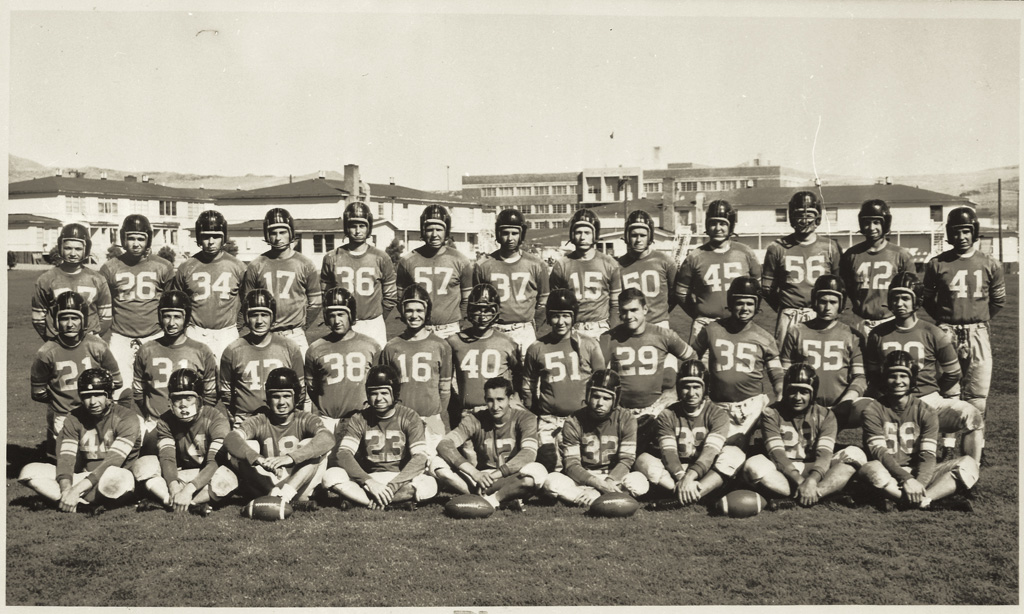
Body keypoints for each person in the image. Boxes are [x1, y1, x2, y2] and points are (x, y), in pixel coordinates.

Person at [865, 272, 983, 464]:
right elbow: (872, 373)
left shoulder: (932, 332)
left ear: (917, 301)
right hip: (891, 403)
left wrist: (932, 389)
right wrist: (888, 395)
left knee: (973, 416)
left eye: (905, 298)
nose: (899, 303)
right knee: (862, 411)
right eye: (895, 298)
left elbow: (954, 373)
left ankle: (971, 469)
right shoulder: (878, 334)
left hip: (928, 400)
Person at [923, 206, 1005, 463]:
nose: (962, 237)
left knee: (978, 393)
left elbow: (997, 302)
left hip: (977, 331)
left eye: (966, 231)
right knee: (949, 392)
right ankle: (947, 446)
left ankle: (977, 445)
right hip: (947, 330)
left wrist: (976, 320)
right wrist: (946, 321)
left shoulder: (990, 263)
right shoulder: (937, 264)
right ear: (950, 233)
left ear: (974, 232)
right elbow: (928, 300)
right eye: (957, 232)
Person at [857, 351, 978, 511]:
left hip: (918, 471)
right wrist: (906, 478)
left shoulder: (926, 411)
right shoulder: (872, 410)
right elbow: (880, 453)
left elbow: (927, 455)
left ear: (912, 379)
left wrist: (918, 483)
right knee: (870, 469)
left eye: (903, 376)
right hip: (888, 470)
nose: (898, 381)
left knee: (969, 464)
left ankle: (912, 500)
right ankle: (927, 501)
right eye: (892, 376)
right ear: (884, 378)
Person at [18, 368, 140, 514]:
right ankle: (81, 505)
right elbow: (66, 458)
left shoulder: (127, 418)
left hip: (111, 477)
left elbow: (113, 462)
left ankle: (59, 499)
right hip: (83, 477)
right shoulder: (74, 417)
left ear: (109, 395)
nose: (93, 402)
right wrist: (67, 489)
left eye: (98, 395)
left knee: (118, 479)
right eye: (87, 396)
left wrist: (76, 490)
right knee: (29, 471)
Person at [742, 364, 865, 508]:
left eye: (804, 392)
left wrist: (812, 480)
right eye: (792, 391)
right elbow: (777, 455)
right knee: (753, 466)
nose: (797, 397)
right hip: (784, 470)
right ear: (785, 391)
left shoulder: (826, 415)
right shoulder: (771, 413)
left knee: (856, 454)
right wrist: (801, 482)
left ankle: (805, 496)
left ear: (813, 393)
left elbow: (824, 454)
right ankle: (823, 494)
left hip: (815, 467)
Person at [322, 365, 439, 510]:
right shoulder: (359, 418)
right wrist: (370, 482)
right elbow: (344, 454)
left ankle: (364, 500)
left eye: (384, 393)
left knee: (430, 484)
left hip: (400, 478)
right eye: (373, 393)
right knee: (330, 476)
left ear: (394, 393)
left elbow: (420, 457)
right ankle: (394, 503)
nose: (378, 398)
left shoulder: (409, 416)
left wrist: (393, 485)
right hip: (371, 477)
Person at [634, 360, 746, 508]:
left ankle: (686, 495)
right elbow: (669, 453)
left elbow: (710, 453)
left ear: (705, 388)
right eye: (686, 387)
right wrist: (682, 478)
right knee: (643, 459)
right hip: (677, 471)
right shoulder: (667, 414)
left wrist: (690, 477)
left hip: (706, 470)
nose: (691, 393)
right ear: (679, 388)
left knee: (735, 454)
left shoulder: (717, 414)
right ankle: (689, 493)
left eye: (696, 387)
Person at [598, 288, 696, 451]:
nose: (629, 316)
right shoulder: (609, 338)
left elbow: (693, 359)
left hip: (656, 409)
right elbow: (597, 374)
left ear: (645, 309)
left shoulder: (664, 335)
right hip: (622, 411)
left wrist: (675, 390)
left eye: (634, 310)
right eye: (624, 311)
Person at [222, 368, 333, 509]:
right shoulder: (260, 420)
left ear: (296, 397)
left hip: (299, 482)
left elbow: (327, 438)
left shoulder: (305, 419)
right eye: (276, 396)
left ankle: (283, 497)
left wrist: (291, 458)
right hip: (270, 482)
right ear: (268, 398)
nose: (281, 402)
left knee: (313, 446)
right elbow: (231, 438)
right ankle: (278, 497)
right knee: (244, 448)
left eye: (286, 396)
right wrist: (257, 458)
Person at [692, 277, 784, 445]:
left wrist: (780, 394)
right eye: (740, 303)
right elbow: (691, 359)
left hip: (751, 406)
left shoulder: (765, 338)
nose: (744, 308)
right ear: (731, 303)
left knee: (736, 448)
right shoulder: (712, 329)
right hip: (718, 404)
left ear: (757, 305)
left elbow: (777, 375)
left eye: (749, 303)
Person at [134, 368, 238, 515]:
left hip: (206, 474)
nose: (183, 404)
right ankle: (175, 501)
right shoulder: (165, 420)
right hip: (180, 474)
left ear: (200, 399)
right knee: (143, 464)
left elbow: (214, 461)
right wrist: (174, 487)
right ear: (170, 400)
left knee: (229, 478)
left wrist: (188, 490)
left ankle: (177, 502)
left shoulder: (216, 419)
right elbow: (167, 458)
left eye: (189, 398)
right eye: (177, 398)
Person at [522, 289, 606, 471]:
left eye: (566, 316)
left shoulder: (589, 344)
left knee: (585, 466)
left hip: (581, 420)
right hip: (549, 421)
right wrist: (538, 411)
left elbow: (601, 385)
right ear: (548, 317)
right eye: (555, 316)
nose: (561, 322)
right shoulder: (536, 348)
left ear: (574, 316)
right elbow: (528, 386)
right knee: (551, 465)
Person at [30, 292, 121, 459]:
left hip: (97, 414)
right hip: (64, 415)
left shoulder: (97, 346)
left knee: (100, 460)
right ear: (56, 321)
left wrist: (96, 401)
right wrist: (61, 400)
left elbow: (116, 381)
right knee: (68, 462)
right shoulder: (46, 353)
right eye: (64, 318)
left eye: (75, 318)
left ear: (83, 320)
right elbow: (38, 392)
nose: (70, 324)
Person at [434, 377, 548, 509]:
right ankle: (498, 498)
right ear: (485, 399)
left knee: (537, 471)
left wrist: (495, 475)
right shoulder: (475, 419)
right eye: (490, 400)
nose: (495, 406)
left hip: (511, 476)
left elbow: (528, 454)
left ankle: (492, 500)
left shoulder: (525, 418)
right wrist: (475, 473)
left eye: (500, 399)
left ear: (510, 399)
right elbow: (444, 444)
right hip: (483, 477)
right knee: (436, 463)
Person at [541, 370, 649, 506]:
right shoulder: (574, 420)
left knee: (639, 482)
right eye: (596, 396)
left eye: (606, 399)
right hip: (584, 478)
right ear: (588, 395)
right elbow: (571, 464)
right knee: (551, 482)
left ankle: (587, 499)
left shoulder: (626, 418)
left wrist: (606, 484)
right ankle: (610, 498)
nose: (599, 403)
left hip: (614, 477)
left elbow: (626, 460)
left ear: (615, 400)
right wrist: (598, 485)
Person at [133, 290, 219, 454]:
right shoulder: (146, 350)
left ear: (186, 318)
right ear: (160, 317)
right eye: (167, 316)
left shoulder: (201, 351)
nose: (171, 323)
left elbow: (210, 395)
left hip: (192, 424)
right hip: (157, 423)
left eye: (177, 317)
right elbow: (138, 394)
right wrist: (154, 415)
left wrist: (195, 419)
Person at [100, 214, 175, 399]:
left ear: (148, 239)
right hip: (121, 335)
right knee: (118, 391)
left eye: (140, 238)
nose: (136, 244)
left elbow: (169, 304)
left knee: (159, 391)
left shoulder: (163, 266)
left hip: (155, 335)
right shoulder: (110, 268)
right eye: (131, 238)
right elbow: (103, 304)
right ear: (123, 239)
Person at [780, 275, 868, 429]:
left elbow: (860, 377)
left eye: (833, 302)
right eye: (823, 301)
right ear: (815, 301)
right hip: (803, 406)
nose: (827, 307)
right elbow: (784, 373)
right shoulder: (797, 331)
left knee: (868, 407)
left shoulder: (853, 336)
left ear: (841, 304)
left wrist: (846, 402)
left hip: (839, 407)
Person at [761, 191, 842, 348]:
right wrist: (785, 307)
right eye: (800, 215)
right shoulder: (777, 247)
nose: (805, 220)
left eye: (809, 215)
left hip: (820, 313)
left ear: (818, 217)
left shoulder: (831, 247)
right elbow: (767, 289)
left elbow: (840, 287)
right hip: (789, 314)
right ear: (792, 217)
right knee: (786, 358)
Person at [379, 284, 453, 457]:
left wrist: (437, 415)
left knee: (435, 463)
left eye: (419, 310)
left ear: (427, 311)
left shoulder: (441, 345)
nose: (414, 315)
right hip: (401, 419)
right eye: (409, 310)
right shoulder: (391, 347)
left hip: (431, 417)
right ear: (402, 312)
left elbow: (445, 389)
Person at [673, 200, 761, 342]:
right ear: (707, 225)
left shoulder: (745, 253)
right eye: (713, 223)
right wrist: (697, 312)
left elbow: (758, 289)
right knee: (696, 357)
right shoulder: (695, 257)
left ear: (730, 225)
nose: (717, 228)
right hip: (705, 323)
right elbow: (681, 292)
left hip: (737, 324)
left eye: (722, 224)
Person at [240, 208, 321, 357]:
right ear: (267, 235)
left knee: (301, 371)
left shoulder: (305, 264)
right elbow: (247, 304)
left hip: (295, 333)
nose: (278, 238)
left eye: (282, 232)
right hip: (264, 333)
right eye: (273, 233)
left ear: (291, 233)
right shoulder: (256, 265)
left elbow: (316, 303)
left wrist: (301, 325)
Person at [220, 289, 305, 428]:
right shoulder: (232, 350)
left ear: (273, 317)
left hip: (281, 419)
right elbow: (226, 392)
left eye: (264, 315)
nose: (259, 321)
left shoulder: (289, 347)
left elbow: (300, 390)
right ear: (246, 317)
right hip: (246, 419)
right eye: (254, 315)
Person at [304, 287, 382, 435]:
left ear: (351, 315)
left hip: (362, 419)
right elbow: (312, 388)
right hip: (328, 419)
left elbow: (377, 385)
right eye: (331, 315)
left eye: (341, 314)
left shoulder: (371, 346)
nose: (337, 321)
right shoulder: (315, 349)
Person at [473, 208, 549, 358]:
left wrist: (532, 326)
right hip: (493, 329)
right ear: (498, 234)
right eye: (505, 233)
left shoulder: (537, 264)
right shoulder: (483, 265)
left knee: (527, 371)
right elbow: (476, 302)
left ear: (521, 234)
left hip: (524, 330)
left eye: (514, 233)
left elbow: (544, 301)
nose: (510, 238)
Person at [320, 202, 398, 348]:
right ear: (346, 227)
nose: (357, 231)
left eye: (362, 226)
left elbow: (391, 296)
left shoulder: (381, 257)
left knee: (375, 360)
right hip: (342, 322)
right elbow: (326, 295)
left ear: (369, 227)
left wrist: (376, 317)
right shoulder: (332, 257)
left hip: (372, 323)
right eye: (352, 226)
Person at [173, 210, 246, 362]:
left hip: (226, 332)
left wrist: (236, 327)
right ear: (199, 238)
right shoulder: (186, 267)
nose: (211, 241)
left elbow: (247, 302)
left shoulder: (237, 266)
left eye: (216, 236)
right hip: (195, 331)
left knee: (226, 375)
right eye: (206, 236)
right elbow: (178, 304)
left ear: (223, 237)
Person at [396, 205, 474, 340]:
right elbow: (400, 299)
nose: (434, 235)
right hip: (419, 329)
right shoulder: (407, 261)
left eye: (439, 229)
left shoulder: (461, 260)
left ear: (446, 231)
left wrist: (459, 320)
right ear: (423, 231)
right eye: (429, 230)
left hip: (450, 329)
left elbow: (467, 299)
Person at [838, 199, 913, 338]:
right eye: (867, 222)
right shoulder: (851, 255)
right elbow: (846, 289)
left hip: (890, 321)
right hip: (860, 321)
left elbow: (911, 295)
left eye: (876, 222)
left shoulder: (901, 255)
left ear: (885, 223)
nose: (871, 227)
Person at [446, 283, 521, 420]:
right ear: (470, 310)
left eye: (487, 310)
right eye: (477, 310)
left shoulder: (507, 342)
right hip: (468, 412)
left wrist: (514, 399)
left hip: (498, 411)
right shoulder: (454, 342)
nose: (482, 316)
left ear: (496, 311)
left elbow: (519, 376)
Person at [32, 223, 113, 342]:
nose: (73, 253)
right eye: (68, 248)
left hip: (89, 341)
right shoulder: (46, 280)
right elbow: (38, 318)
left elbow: (106, 316)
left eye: (78, 249)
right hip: (58, 343)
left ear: (86, 249)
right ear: (60, 247)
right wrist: (54, 339)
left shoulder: (97, 279)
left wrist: (93, 337)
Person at [549, 209, 622, 338]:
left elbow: (616, 304)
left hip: (600, 327)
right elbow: (555, 304)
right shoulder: (562, 265)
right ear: (572, 234)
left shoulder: (609, 263)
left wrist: (613, 331)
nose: (582, 237)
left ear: (595, 234)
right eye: (578, 232)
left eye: (587, 232)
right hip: (572, 327)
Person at [617, 209, 677, 329]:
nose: (638, 240)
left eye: (643, 235)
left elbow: (675, 295)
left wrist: (660, 313)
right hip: (630, 324)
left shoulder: (665, 261)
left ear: (650, 236)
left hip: (658, 323)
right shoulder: (617, 265)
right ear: (627, 236)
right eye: (634, 235)